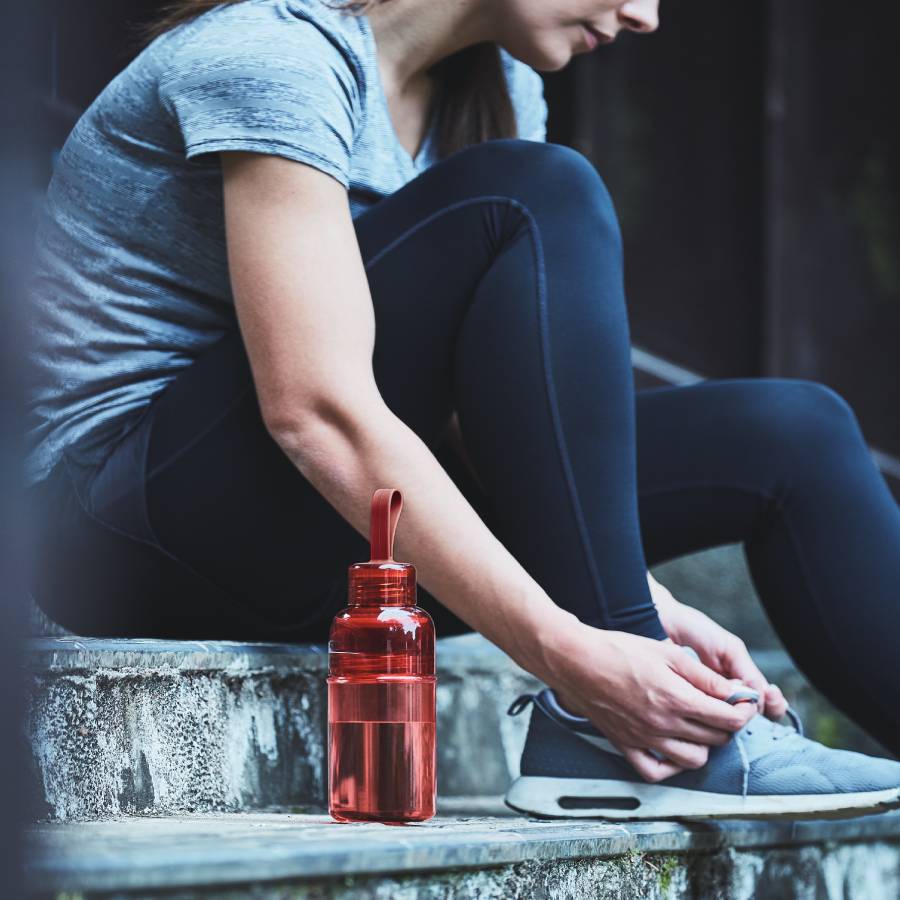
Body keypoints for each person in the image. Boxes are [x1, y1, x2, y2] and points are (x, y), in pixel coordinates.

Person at [25, 0, 900, 819]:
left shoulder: (499, 86)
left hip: (333, 535)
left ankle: (602, 725)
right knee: (530, 193)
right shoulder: (272, 55)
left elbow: (494, 424)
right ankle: (605, 733)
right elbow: (315, 410)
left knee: (797, 433)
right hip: (124, 534)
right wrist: (571, 652)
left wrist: (629, 594)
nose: (645, 15)